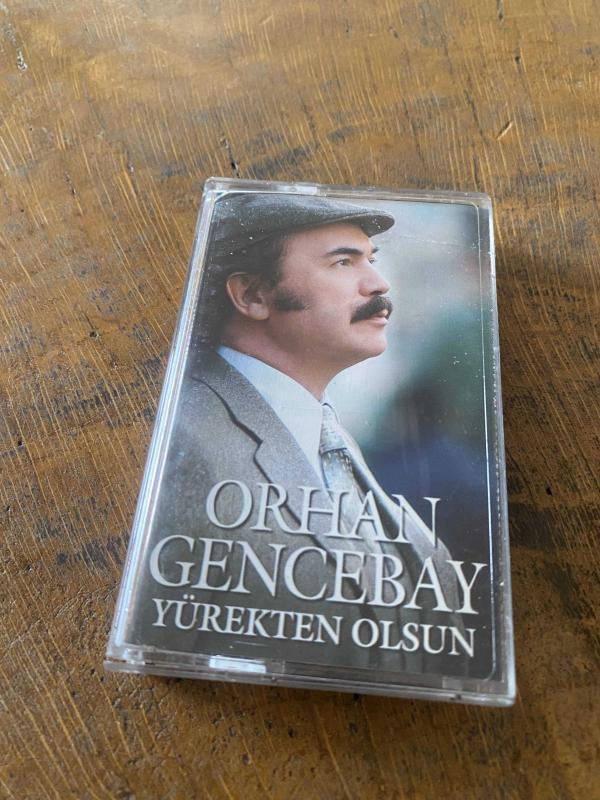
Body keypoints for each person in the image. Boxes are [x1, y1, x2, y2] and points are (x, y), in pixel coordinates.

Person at [132, 192, 463, 674]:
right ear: (253, 296)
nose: (378, 283)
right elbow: (160, 648)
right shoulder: (186, 436)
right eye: (343, 262)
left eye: (370, 260)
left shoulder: (327, 437)